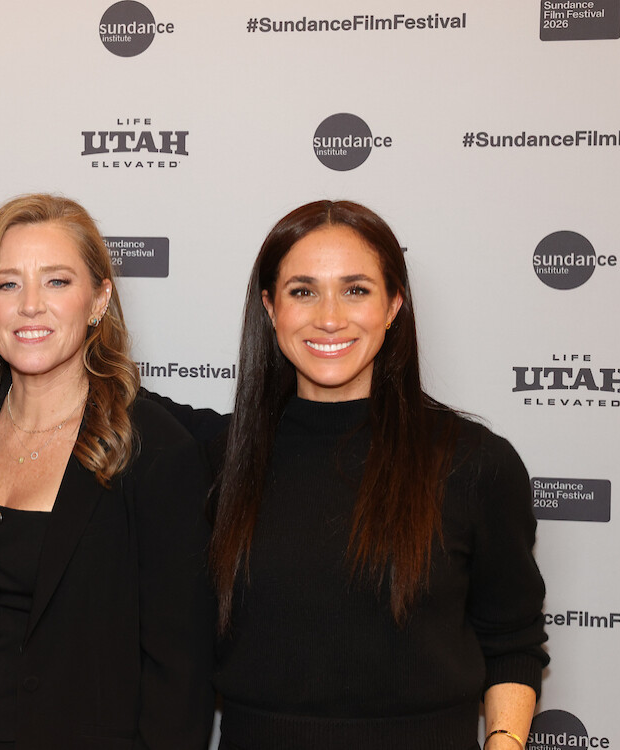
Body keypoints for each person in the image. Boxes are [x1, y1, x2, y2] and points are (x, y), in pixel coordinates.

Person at [198, 200, 548, 749]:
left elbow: (512, 639)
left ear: (393, 306)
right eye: (303, 291)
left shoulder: (475, 462)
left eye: (356, 289)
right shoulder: (222, 463)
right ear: (270, 308)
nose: (330, 316)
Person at [0, 194, 215, 750]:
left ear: (99, 299)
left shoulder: (153, 450)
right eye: (7, 283)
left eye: (57, 281)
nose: (30, 305)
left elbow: (180, 673)